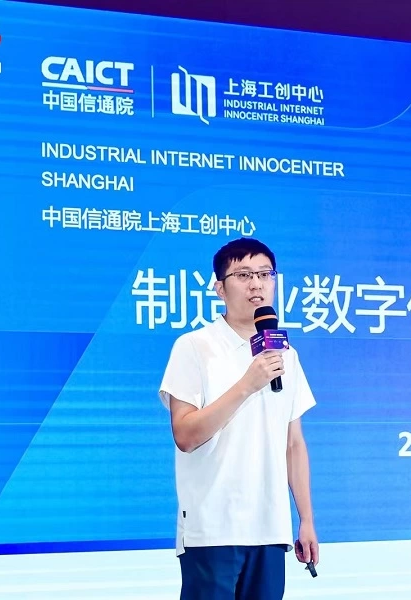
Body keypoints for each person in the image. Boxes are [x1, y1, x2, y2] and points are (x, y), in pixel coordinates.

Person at [158, 237, 319, 600]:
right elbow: (185, 434)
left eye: (265, 274)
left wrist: (306, 520)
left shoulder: (285, 354)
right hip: (213, 527)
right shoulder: (194, 346)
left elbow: (293, 444)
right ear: (220, 288)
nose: (256, 284)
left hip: (270, 527)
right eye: (244, 275)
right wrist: (247, 384)